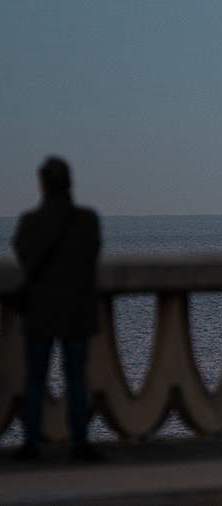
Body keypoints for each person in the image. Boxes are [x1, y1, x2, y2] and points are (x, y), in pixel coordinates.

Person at [11, 156, 103, 462]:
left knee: (35, 379)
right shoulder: (87, 220)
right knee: (76, 379)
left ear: (42, 185)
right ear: (69, 183)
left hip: (40, 311)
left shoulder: (30, 223)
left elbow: (23, 255)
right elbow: (92, 254)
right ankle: (80, 442)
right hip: (76, 310)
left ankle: (31, 443)